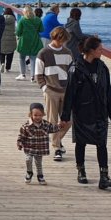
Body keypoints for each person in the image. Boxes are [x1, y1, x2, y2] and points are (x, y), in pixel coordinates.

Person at [61, 36, 111, 189]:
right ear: (91, 51)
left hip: (100, 112)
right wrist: (65, 115)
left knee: (102, 144)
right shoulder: (76, 68)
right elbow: (70, 93)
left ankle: (104, 177)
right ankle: (81, 171)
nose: (102, 51)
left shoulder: (102, 67)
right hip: (82, 112)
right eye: (100, 49)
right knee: (81, 143)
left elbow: (108, 90)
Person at [35, 26, 73, 161]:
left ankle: (56, 141)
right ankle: (57, 148)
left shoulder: (68, 53)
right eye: (61, 40)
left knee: (68, 120)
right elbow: (38, 74)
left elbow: (71, 72)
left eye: (64, 41)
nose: (62, 43)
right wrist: (45, 88)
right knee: (52, 121)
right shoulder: (43, 53)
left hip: (66, 90)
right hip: (51, 91)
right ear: (55, 37)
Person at [17, 102, 69, 185]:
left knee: (38, 163)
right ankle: (29, 172)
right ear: (30, 114)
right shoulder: (26, 126)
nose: (38, 117)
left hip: (40, 148)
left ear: (43, 114)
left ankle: (40, 176)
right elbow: (21, 135)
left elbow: (53, 129)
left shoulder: (46, 125)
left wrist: (60, 125)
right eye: (35, 115)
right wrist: (19, 143)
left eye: (40, 115)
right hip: (29, 147)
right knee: (28, 159)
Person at [15, 6, 43, 80]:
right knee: (33, 58)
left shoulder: (22, 20)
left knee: (22, 58)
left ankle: (23, 74)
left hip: (24, 41)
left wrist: (20, 34)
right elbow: (41, 30)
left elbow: (18, 32)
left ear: (24, 12)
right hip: (34, 40)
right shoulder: (38, 20)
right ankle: (32, 77)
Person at [0, 7, 17, 72]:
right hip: (11, 38)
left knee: (1, 52)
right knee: (10, 53)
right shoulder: (13, 19)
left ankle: (2, 63)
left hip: (2, 37)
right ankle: (7, 68)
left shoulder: (1, 18)